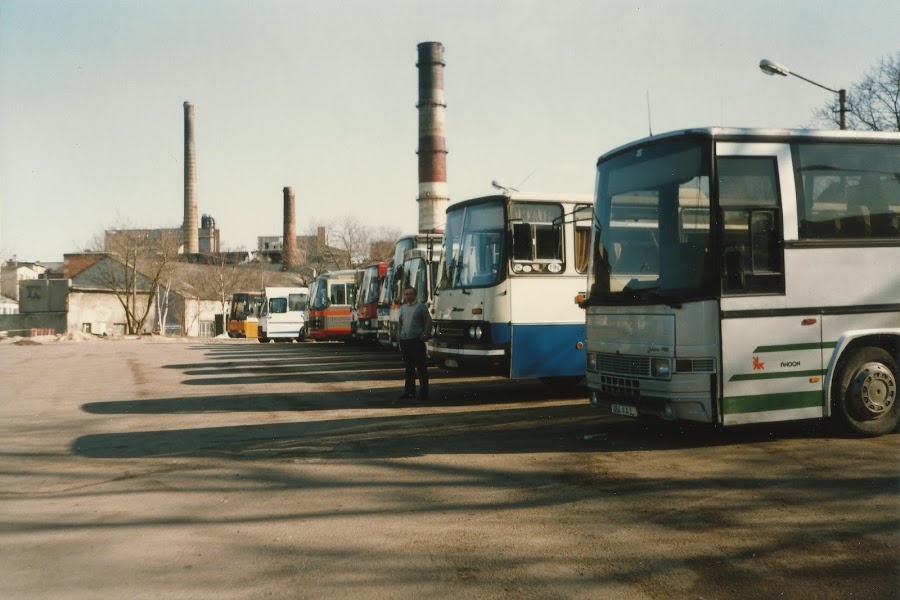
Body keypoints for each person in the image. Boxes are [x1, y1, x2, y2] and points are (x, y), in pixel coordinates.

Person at [396, 286, 432, 403]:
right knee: (409, 368)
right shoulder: (403, 308)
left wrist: (424, 336)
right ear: (404, 296)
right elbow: (400, 324)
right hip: (405, 341)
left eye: (411, 294)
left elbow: (428, 322)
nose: (408, 296)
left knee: (421, 368)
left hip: (416, 341)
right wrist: (399, 337)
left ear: (415, 295)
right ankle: (409, 392)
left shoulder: (421, 307)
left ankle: (423, 394)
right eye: (406, 294)